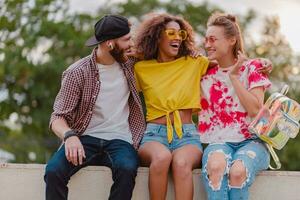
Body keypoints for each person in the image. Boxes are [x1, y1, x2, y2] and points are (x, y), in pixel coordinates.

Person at [44, 14, 146, 200]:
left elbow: (162, 51)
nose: (131, 43)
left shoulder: (131, 63)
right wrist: (69, 136)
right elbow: (57, 117)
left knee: (127, 168)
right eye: (126, 39)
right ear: (109, 44)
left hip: (120, 139)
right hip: (84, 138)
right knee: (53, 171)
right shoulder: (77, 72)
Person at [133, 13, 209, 200]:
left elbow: (227, 62)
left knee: (181, 162)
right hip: (153, 136)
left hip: (187, 135)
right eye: (171, 33)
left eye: (181, 34)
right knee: (161, 158)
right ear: (158, 36)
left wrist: (258, 64)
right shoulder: (141, 68)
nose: (177, 38)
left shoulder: (194, 63)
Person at [198, 12, 271, 200]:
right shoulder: (202, 72)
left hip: (252, 141)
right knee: (215, 168)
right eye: (206, 39)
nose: (207, 44)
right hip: (219, 141)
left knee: (238, 172)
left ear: (231, 40)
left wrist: (234, 77)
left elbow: (256, 111)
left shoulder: (253, 68)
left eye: (213, 39)